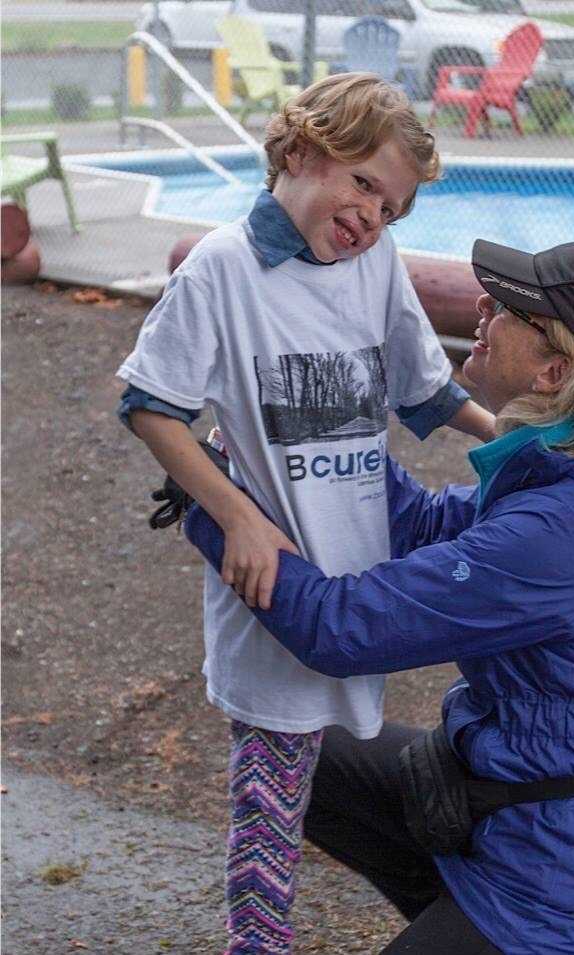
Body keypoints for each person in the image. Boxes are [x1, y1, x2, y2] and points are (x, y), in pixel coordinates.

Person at [183, 237, 574, 955]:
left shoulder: (563, 534)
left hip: (555, 869)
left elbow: (342, 629)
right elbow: (427, 524)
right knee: (317, 763)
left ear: (554, 371)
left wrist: (217, 508)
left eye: (512, 307)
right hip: (505, 797)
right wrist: (311, 442)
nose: (484, 308)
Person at [116, 74, 496, 954]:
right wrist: (236, 518)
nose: (373, 215)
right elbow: (147, 405)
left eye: (392, 206)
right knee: (268, 805)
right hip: (278, 581)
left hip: (357, 581)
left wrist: (520, 444)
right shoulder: (221, 268)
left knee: (315, 769)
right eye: (365, 183)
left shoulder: (373, 270)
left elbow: (427, 394)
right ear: (299, 151)